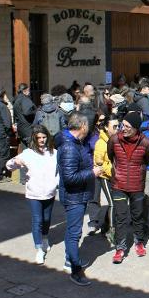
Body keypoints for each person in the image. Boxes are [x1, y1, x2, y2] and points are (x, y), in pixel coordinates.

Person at [57, 112, 102, 286]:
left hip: (79, 195)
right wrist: (92, 173)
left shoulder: (75, 143)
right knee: (74, 233)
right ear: (83, 126)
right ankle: (75, 271)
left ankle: (70, 260)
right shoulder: (69, 147)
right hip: (74, 197)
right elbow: (69, 177)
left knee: (72, 230)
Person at [6, 125, 58, 265]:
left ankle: (45, 238)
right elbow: (9, 165)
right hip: (34, 193)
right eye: (38, 137)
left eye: (44, 137)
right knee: (37, 220)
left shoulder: (54, 153)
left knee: (46, 219)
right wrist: (15, 162)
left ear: (47, 137)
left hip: (50, 192)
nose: (41, 140)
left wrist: (57, 183)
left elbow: (61, 169)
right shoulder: (28, 153)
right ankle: (39, 249)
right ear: (34, 138)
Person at [107, 111, 149, 264]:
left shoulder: (146, 142)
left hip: (137, 185)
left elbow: (148, 160)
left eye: (128, 126)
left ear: (136, 128)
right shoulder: (114, 140)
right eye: (123, 125)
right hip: (119, 184)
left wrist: (137, 170)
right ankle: (120, 248)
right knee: (120, 218)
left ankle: (139, 242)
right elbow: (110, 156)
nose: (124, 128)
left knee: (137, 216)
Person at [89, 115, 120, 238]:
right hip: (105, 177)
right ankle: (112, 231)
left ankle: (105, 226)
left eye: (118, 125)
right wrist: (112, 171)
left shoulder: (118, 139)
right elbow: (98, 164)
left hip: (116, 175)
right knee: (112, 203)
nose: (118, 128)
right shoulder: (101, 144)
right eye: (115, 126)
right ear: (107, 127)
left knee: (116, 203)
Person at [13, 83, 37, 148]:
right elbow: (27, 112)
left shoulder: (16, 100)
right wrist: (36, 112)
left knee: (25, 151)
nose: (29, 92)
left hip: (21, 129)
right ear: (24, 91)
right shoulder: (24, 99)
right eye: (28, 90)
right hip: (28, 129)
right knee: (32, 150)